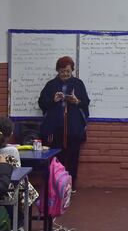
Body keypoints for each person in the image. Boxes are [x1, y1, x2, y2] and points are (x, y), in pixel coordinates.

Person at [38, 56, 90, 190]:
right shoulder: (51, 85)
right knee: (56, 157)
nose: (65, 74)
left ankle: (71, 186)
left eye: (67, 71)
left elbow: (86, 103)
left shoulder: (78, 83)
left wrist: (76, 101)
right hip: (55, 129)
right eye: (62, 71)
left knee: (73, 157)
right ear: (58, 71)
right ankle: (56, 185)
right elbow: (42, 103)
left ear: (72, 70)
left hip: (73, 128)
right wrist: (53, 100)